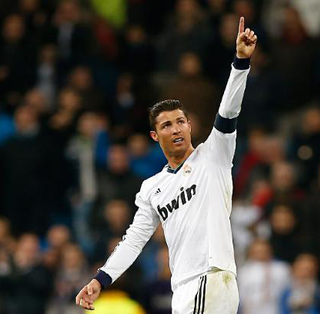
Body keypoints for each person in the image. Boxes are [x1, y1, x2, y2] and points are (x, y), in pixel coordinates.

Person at [76, 16, 257, 313]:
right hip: (185, 287)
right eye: (167, 125)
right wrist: (101, 279)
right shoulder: (153, 187)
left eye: (180, 122)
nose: (176, 129)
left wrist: (240, 62)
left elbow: (228, 111)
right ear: (154, 135)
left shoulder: (214, 155)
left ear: (189, 126)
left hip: (210, 278)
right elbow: (133, 240)